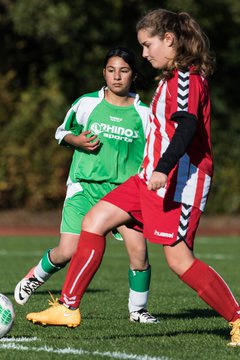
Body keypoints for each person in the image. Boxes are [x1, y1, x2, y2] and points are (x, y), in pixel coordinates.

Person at [25, 9, 240, 346]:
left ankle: (238, 319)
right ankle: (68, 307)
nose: (143, 54)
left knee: (179, 260)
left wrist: (162, 168)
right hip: (147, 180)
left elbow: (187, 127)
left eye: (147, 45)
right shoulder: (170, 79)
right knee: (94, 221)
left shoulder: (186, 79)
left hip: (177, 182)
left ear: (168, 40)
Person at [14, 46, 159, 324]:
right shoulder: (87, 103)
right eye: (111, 70)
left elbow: (153, 152)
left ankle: (138, 310)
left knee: (139, 253)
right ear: (103, 73)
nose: (117, 76)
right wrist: (76, 140)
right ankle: (37, 275)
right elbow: (62, 131)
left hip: (124, 194)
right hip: (84, 188)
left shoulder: (144, 114)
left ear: (134, 76)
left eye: (124, 71)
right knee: (67, 250)